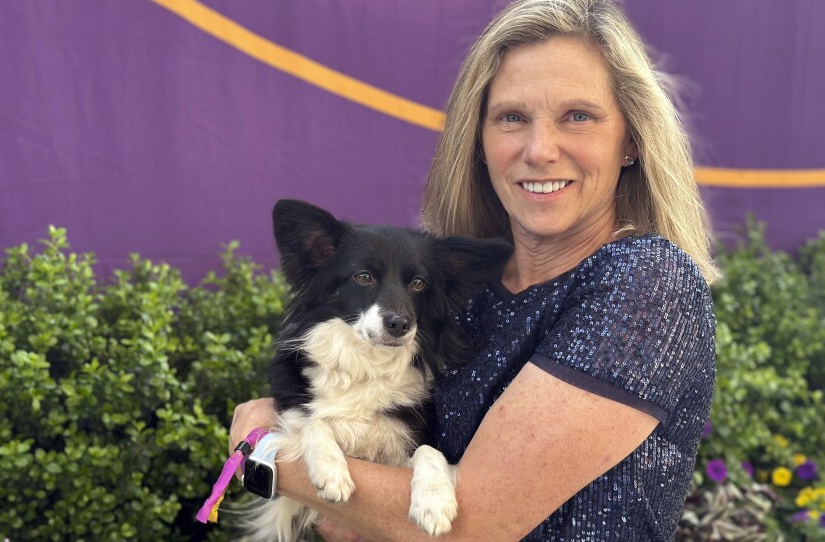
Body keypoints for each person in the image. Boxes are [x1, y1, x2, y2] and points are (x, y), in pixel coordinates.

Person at [230, 0, 719, 540]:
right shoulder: (463, 295)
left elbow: (474, 524)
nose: (539, 149)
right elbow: (354, 514)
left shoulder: (645, 282)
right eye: (512, 117)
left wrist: (266, 453)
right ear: (479, 141)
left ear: (631, 139)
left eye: (578, 116)